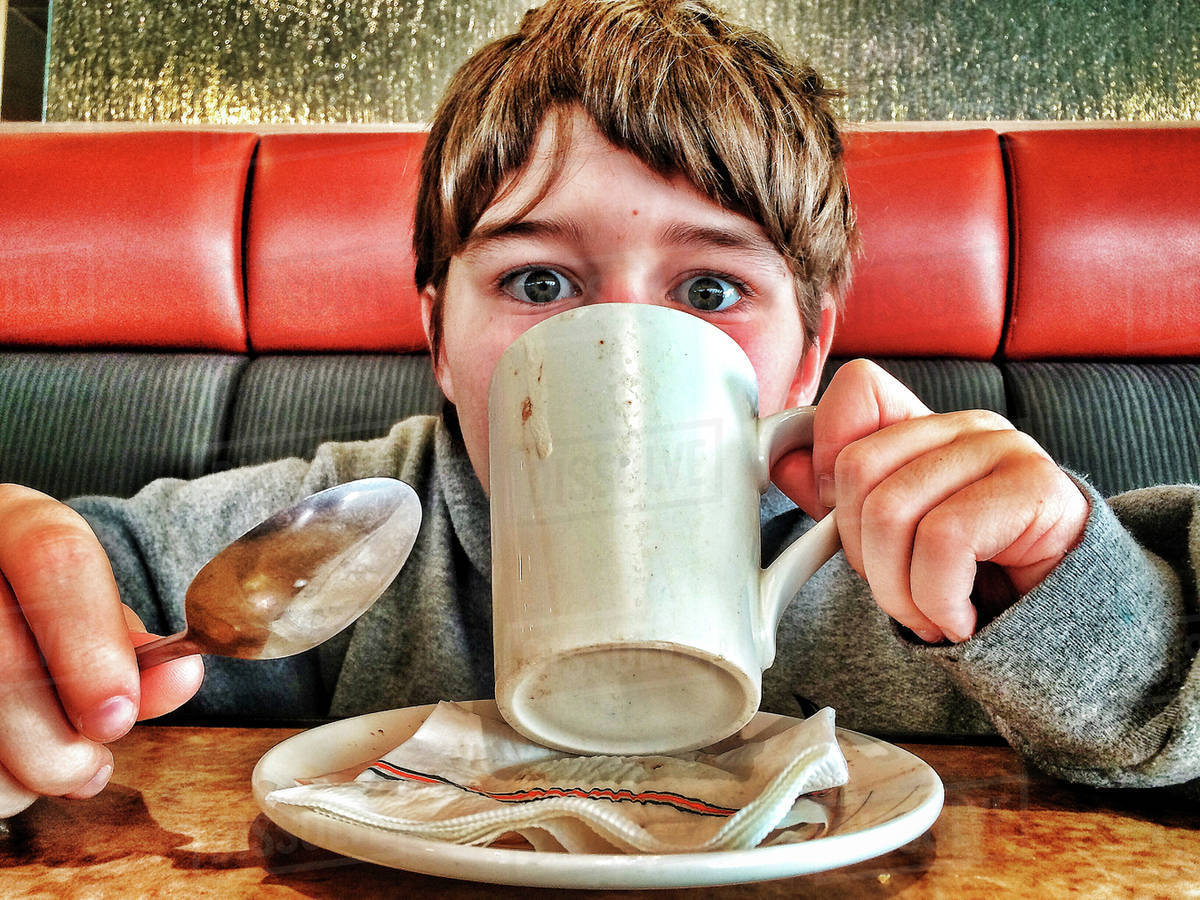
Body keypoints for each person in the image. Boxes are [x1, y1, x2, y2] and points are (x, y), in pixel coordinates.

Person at [2, 0, 1197, 818]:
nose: (623, 346)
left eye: (711, 290)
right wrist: (35, 609)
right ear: (440, 337)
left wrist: (1071, 599)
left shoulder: (941, 563)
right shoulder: (348, 527)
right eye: (539, 283)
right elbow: (100, 585)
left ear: (811, 350)